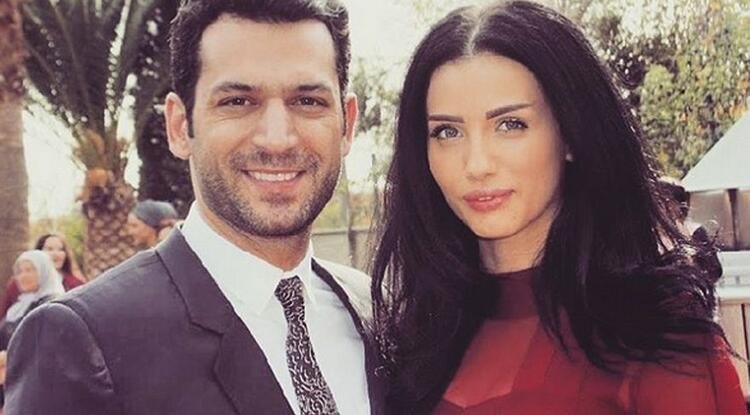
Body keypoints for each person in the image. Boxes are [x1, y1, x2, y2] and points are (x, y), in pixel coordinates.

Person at [5, 1, 384, 414]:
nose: (277, 139)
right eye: (238, 101)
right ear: (179, 126)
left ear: (347, 124)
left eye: (308, 101)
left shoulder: (375, 311)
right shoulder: (83, 340)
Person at [371, 1, 745, 414]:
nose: (476, 165)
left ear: (569, 134)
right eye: (447, 132)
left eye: (510, 125)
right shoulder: (411, 343)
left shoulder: (657, 337)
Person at [0, 251, 65, 404]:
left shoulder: (51, 304)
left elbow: (46, 347)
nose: (22, 276)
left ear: (44, 271)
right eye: (19, 271)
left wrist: (9, 357)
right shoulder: (20, 304)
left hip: (35, 389)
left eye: (29, 270)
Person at [0, 234, 86, 319]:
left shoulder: (76, 285)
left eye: (61, 249)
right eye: (50, 249)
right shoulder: (19, 283)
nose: (56, 254)